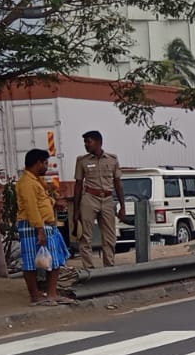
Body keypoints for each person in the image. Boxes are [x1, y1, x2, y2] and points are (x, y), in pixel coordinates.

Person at [16, 148, 72, 306]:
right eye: (45, 163)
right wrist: (39, 230)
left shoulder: (36, 181)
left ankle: (52, 293)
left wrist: (55, 203)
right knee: (31, 261)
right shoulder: (27, 183)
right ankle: (35, 295)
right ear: (38, 163)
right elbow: (31, 207)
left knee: (54, 259)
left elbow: (42, 202)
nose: (47, 167)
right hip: (32, 226)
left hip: (46, 224)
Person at [72, 129, 125, 268]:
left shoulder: (112, 159)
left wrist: (122, 206)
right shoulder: (82, 161)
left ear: (99, 142)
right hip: (89, 197)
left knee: (109, 236)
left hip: (107, 199)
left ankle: (109, 267)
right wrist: (76, 210)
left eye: (88, 142)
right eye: (85, 142)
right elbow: (78, 184)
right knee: (85, 236)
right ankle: (89, 268)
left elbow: (118, 183)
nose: (86, 145)